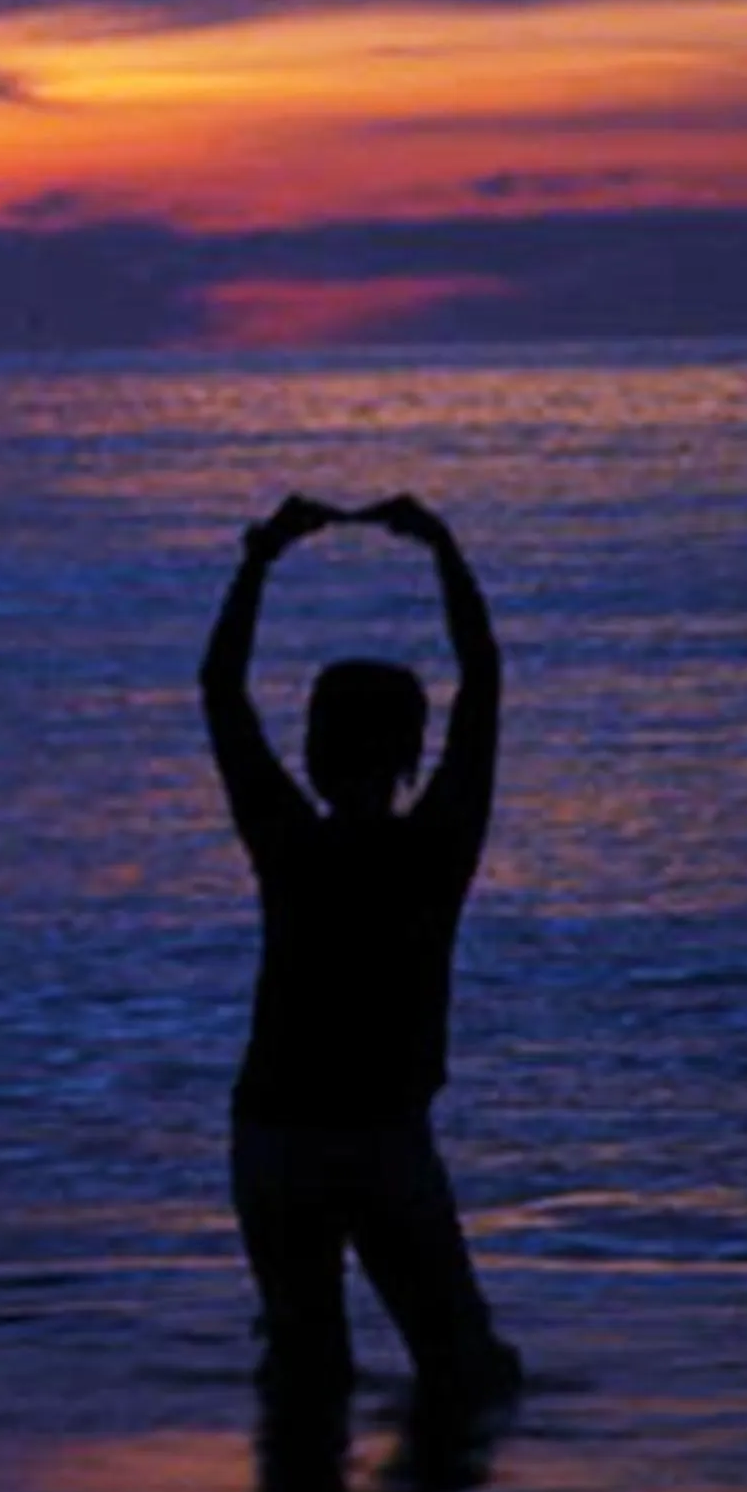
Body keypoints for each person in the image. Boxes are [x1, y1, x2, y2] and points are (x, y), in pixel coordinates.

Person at [201, 492, 522, 1425]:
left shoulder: (288, 841)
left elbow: (219, 689)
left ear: (311, 750)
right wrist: (443, 551)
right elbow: (486, 678)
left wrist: (260, 559)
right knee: (466, 1369)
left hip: (275, 1136)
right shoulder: (438, 847)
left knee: (309, 1374)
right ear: (413, 752)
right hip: (378, 1137)